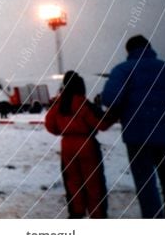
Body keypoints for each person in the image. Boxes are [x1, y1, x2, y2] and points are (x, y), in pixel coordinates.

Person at [102, 35, 165, 218]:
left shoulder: (122, 70)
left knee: (145, 183)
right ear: (150, 48)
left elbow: (110, 98)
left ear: (129, 51)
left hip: (138, 137)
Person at [45, 71, 115, 218]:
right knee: (94, 184)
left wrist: (64, 130)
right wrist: (113, 116)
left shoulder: (58, 104)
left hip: (67, 147)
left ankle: (76, 214)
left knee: (73, 183)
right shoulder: (83, 103)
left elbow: (50, 125)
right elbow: (101, 124)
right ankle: (97, 215)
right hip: (87, 146)